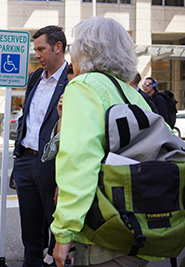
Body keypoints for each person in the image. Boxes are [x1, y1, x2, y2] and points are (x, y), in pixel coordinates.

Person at [51, 17, 154, 267]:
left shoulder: (84, 87)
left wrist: (64, 233)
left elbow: (79, 161)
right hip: (141, 229)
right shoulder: (131, 93)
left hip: (105, 233)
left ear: (85, 50)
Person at [12, 25, 68, 267]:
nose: (36, 55)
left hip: (54, 165)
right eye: (35, 50)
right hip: (26, 161)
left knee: (59, 232)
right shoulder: (35, 77)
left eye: (41, 49)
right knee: (31, 232)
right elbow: (28, 116)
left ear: (58, 48)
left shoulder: (74, 79)